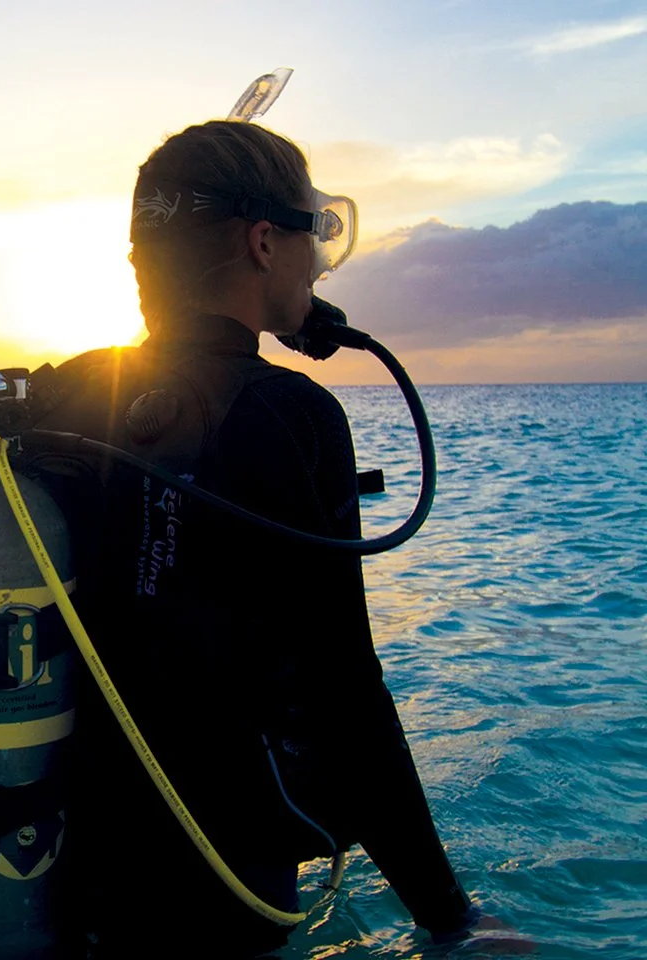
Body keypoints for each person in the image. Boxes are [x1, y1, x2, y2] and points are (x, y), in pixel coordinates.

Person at [25, 121, 478, 955]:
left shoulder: (63, 395)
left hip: (59, 860)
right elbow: (348, 693)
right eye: (317, 234)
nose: (320, 264)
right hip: (221, 877)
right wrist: (449, 917)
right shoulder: (289, 412)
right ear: (265, 242)